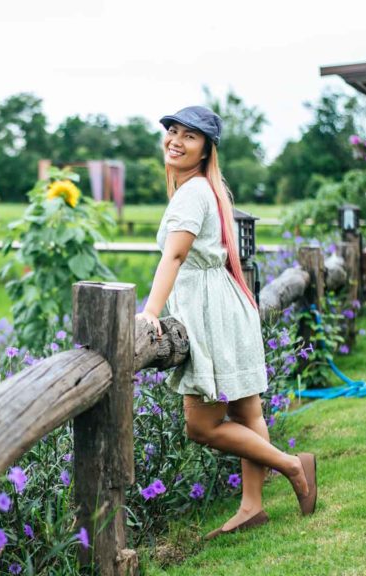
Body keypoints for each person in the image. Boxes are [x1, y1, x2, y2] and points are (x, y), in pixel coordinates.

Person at [136, 106, 317, 539]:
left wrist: (150, 312)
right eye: (172, 131)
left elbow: (175, 256)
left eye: (189, 136)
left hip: (209, 312)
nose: (176, 140)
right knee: (247, 410)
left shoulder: (193, 192)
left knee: (201, 425)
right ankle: (252, 506)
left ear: (206, 149)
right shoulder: (208, 189)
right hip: (227, 303)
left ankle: (291, 465)